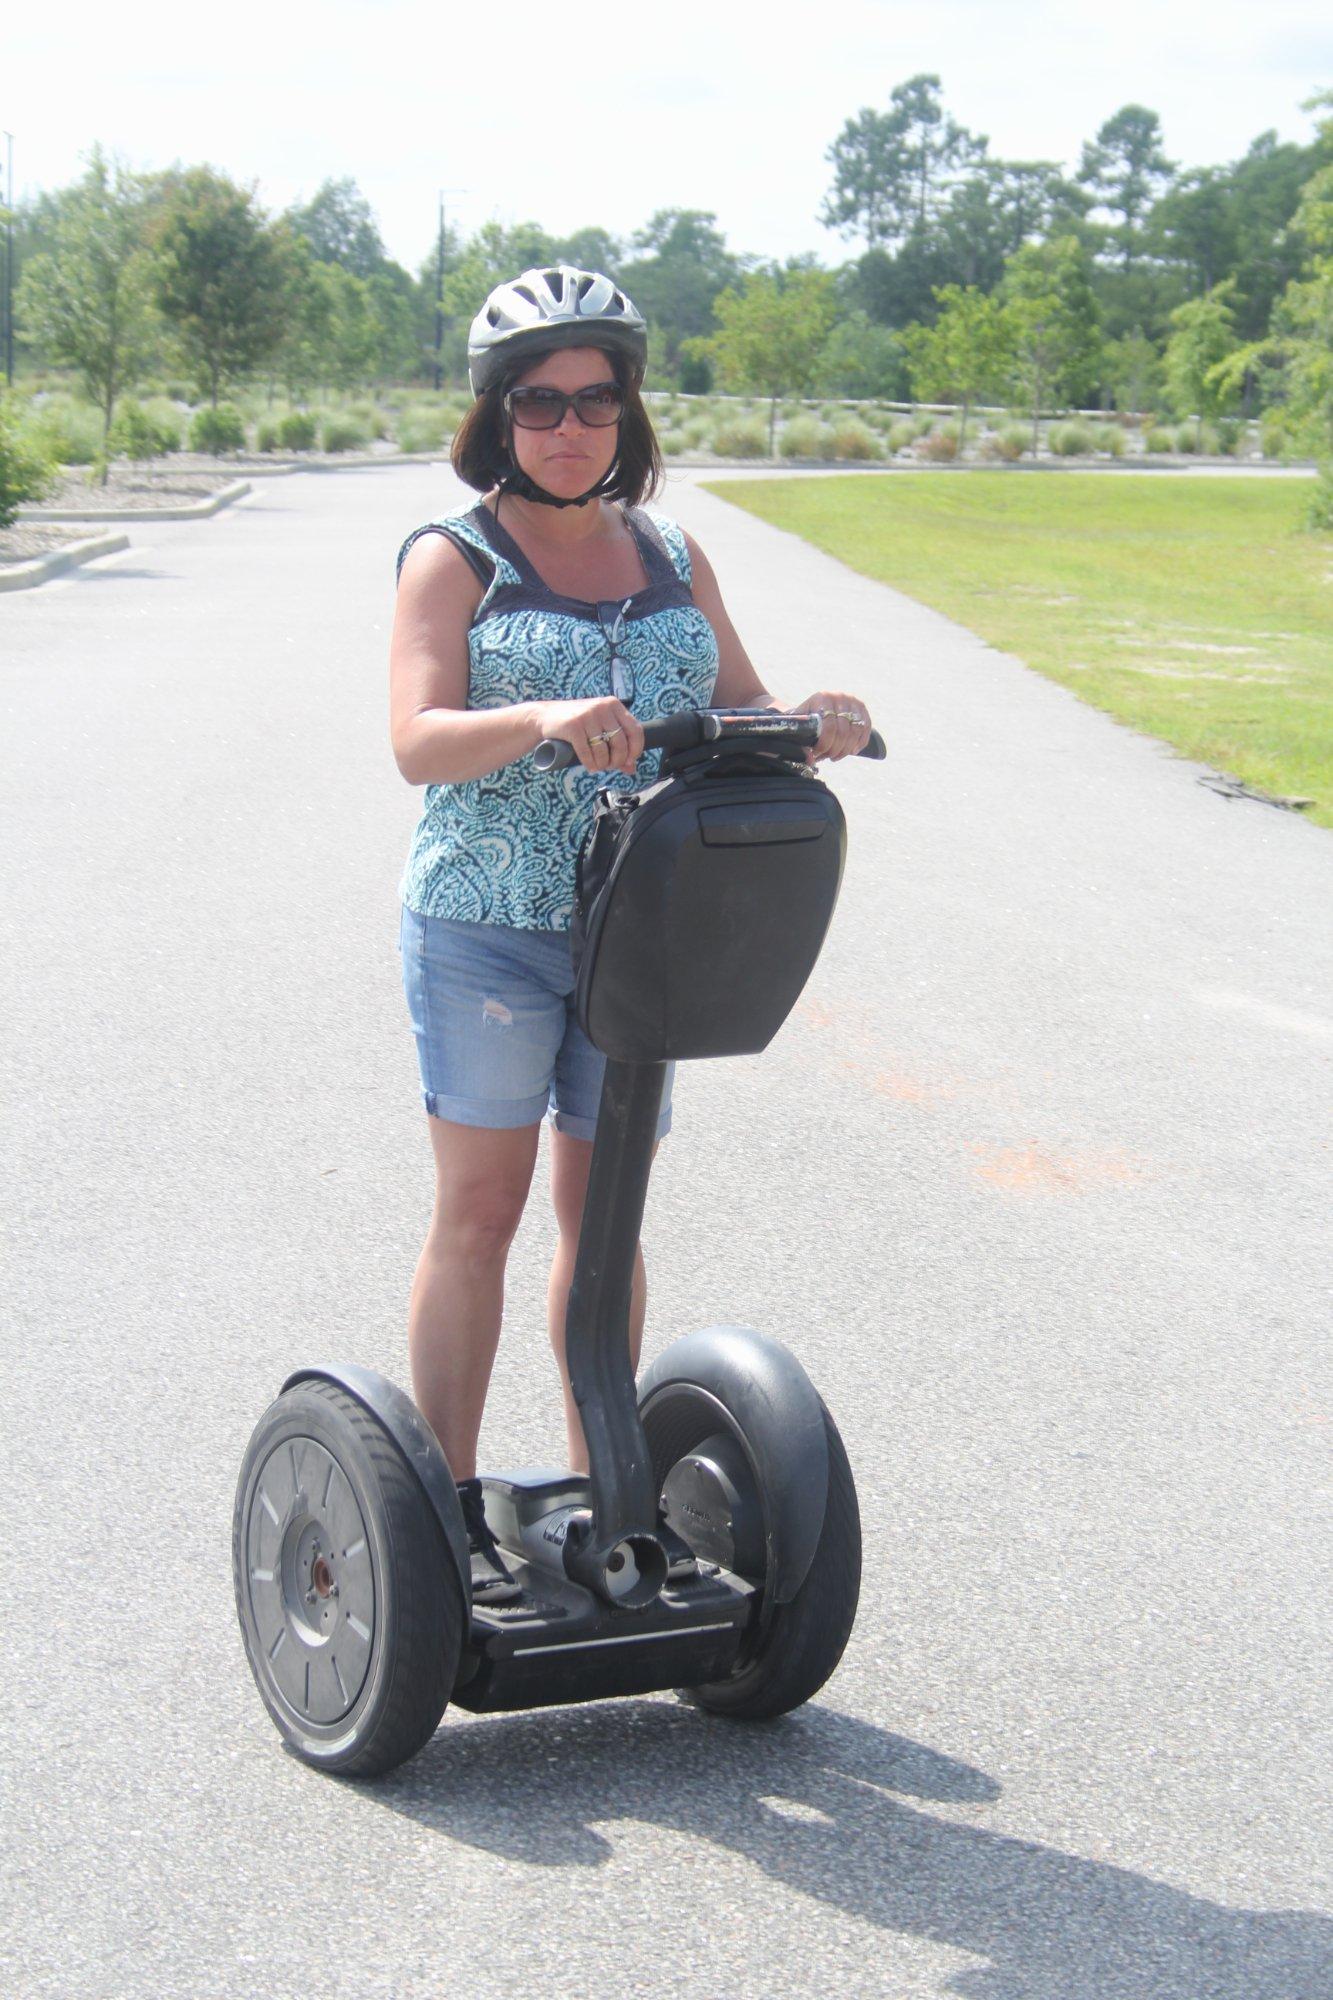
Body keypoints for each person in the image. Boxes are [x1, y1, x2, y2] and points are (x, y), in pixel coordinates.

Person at [388, 265, 873, 1599]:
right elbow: (415, 741)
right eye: (538, 400)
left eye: (594, 399)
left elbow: (742, 702)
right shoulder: (455, 556)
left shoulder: (669, 553)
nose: (567, 424)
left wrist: (813, 723)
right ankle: (446, 1511)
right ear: (498, 414)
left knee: (603, 1219)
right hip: (489, 925)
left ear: (625, 411)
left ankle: (603, 1488)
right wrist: (539, 719)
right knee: (479, 1211)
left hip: (642, 930)